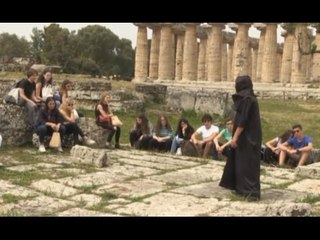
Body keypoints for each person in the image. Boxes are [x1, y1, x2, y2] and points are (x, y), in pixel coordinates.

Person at [219, 75, 262, 201]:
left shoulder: (248, 99)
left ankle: (251, 192)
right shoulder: (248, 99)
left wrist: (235, 138)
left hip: (248, 138)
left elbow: (243, 121)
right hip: (246, 138)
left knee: (248, 164)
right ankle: (241, 189)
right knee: (241, 163)